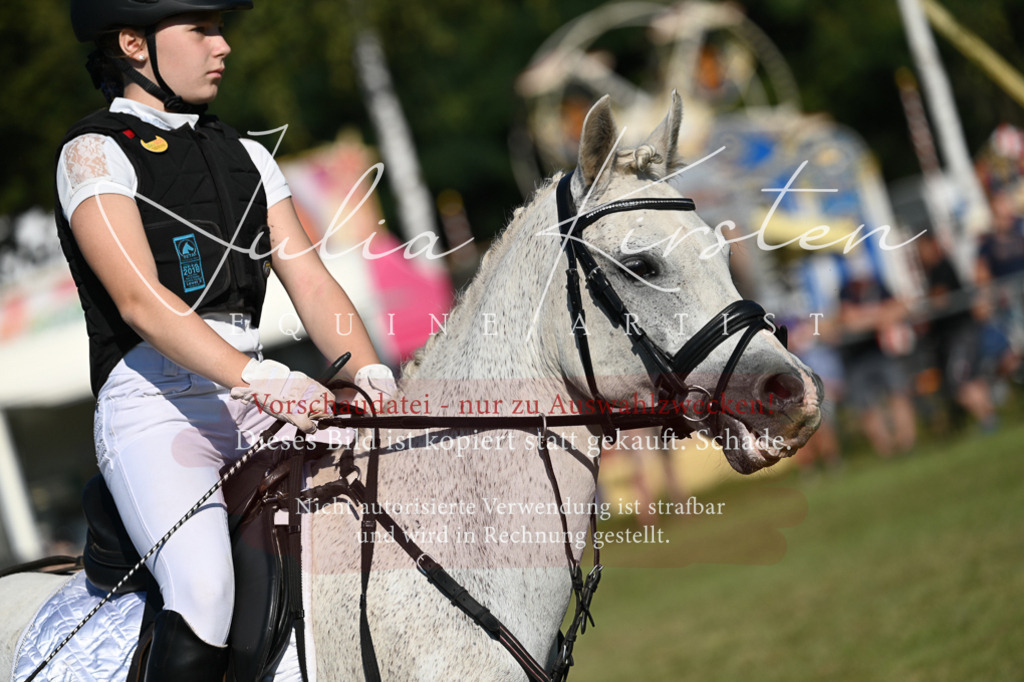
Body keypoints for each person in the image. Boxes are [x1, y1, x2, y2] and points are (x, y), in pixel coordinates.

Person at [57, 2, 394, 679]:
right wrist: (260, 378)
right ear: (134, 44)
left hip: (248, 392)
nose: (224, 46)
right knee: (206, 593)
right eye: (202, 30)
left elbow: (312, 282)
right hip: (154, 402)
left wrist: (370, 373)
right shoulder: (91, 153)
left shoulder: (248, 156)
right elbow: (140, 301)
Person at [837, 256, 917, 456]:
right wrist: (880, 316)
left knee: (898, 396)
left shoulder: (878, 287)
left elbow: (901, 307)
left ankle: (907, 444)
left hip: (882, 353)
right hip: (857, 358)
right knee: (867, 408)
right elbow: (850, 322)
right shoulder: (845, 292)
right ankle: (887, 451)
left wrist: (866, 317)